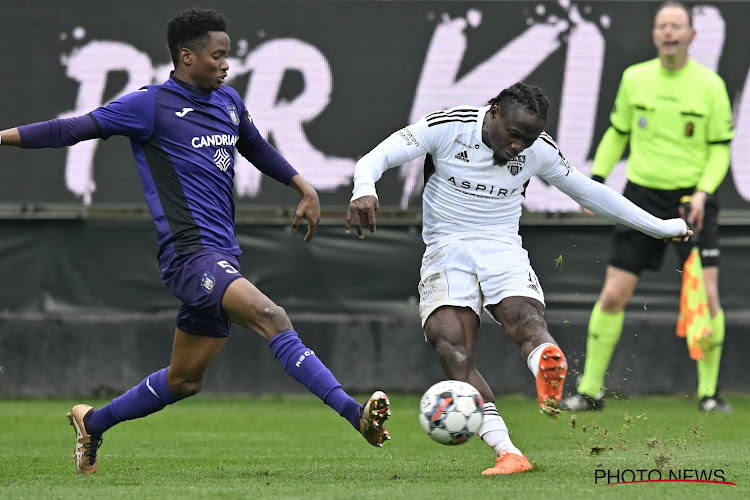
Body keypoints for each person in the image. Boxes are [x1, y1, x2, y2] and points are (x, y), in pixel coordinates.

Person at [0, 8, 390, 475]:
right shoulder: (149, 105)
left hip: (221, 256)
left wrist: (302, 186)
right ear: (187, 57)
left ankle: (93, 422)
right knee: (272, 317)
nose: (226, 64)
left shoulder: (227, 102)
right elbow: (71, 129)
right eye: (217, 55)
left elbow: (255, 146)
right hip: (190, 256)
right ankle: (355, 416)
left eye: (228, 55)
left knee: (184, 381)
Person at [345, 82, 691, 475]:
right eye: (514, 135)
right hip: (446, 248)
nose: (520, 147)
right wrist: (364, 189)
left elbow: (590, 192)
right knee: (450, 347)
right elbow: (378, 156)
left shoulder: (538, 149)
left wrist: (658, 226)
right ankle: (509, 452)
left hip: (501, 245)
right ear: (493, 112)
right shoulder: (448, 126)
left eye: (529, 138)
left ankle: (546, 362)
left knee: (524, 318)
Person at [560, 1, 734, 413]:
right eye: (662, 26)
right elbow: (617, 133)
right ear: (655, 35)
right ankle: (590, 391)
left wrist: (705, 192)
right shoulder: (634, 79)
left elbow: (720, 150)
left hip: (693, 199)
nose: (669, 32)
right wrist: (596, 181)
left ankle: (709, 394)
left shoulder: (710, 86)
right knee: (613, 294)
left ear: (692, 34)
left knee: (707, 298)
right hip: (642, 199)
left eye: (677, 26)